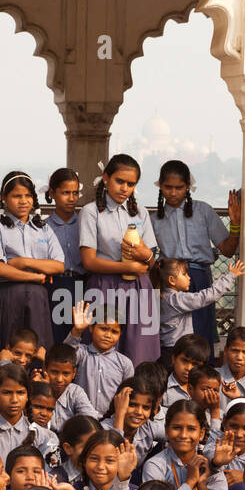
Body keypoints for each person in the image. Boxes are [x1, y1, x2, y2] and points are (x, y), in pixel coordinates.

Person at [0, 170, 66, 373]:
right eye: (16, 196)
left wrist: (21, 261)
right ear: (4, 198)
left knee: (37, 351)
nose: (23, 201)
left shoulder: (44, 229)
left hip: (38, 299)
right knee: (6, 348)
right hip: (8, 297)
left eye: (27, 196)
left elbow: (59, 265)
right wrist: (34, 275)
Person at [77, 153, 161, 364]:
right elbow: (89, 261)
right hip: (104, 286)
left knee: (138, 350)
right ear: (106, 178)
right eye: (119, 181)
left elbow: (152, 261)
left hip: (139, 287)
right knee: (103, 346)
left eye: (131, 184)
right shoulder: (91, 212)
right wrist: (127, 266)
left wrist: (146, 256)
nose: (124, 188)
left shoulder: (140, 212)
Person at [150, 160, 241, 350]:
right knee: (173, 338)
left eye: (179, 187)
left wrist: (235, 224)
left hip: (199, 279)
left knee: (200, 335)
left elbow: (227, 249)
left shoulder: (203, 211)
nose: (173, 193)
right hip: (170, 284)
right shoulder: (154, 219)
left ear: (188, 187)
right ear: (160, 186)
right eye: (168, 187)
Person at [44, 168, 87, 345]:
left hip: (83, 285)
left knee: (82, 333)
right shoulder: (43, 227)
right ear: (53, 193)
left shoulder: (86, 223)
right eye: (65, 193)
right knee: (57, 335)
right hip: (54, 286)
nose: (71, 198)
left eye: (75, 193)